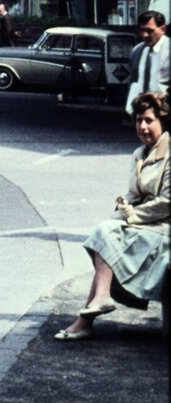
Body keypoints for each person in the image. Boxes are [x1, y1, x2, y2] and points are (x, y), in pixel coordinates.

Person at [55, 92, 170, 341]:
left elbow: (167, 204)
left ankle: (88, 316)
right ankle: (94, 308)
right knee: (105, 234)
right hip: (145, 226)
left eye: (149, 120)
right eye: (139, 120)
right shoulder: (139, 154)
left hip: (163, 228)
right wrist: (118, 216)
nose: (142, 126)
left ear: (163, 121)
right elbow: (131, 194)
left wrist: (130, 217)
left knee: (106, 234)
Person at [125, 11, 169, 115]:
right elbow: (134, 82)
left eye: (149, 31)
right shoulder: (137, 51)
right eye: (142, 30)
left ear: (163, 29)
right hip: (142, 112)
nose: (145, 35)